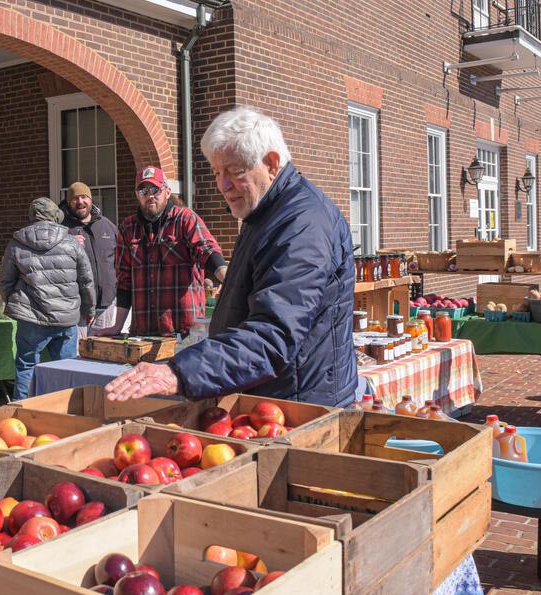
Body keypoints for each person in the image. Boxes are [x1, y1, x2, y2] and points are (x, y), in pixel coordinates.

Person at [105, 107, 357, 407]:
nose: (222, 185)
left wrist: (180, 372)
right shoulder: (265, 213)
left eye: (234, 172)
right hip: (273, 395)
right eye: (216, 173)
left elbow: (273, 336)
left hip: (300, 402)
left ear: (272, 164)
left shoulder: (302, 225)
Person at [103, 164, 226, 338]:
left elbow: (206, 249)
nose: (150, 196)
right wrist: (117, 326)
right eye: (144, 192)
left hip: (184, 332)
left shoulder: (185, 219)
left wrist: (226, 276)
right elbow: (124, 281)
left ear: (167, 192)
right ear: (137, 196)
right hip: (143, 332)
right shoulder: (127, 228)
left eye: (155, 190)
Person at [0, 197, 95, 400]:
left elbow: (5, 281)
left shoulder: (17, 243)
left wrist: (11, 302)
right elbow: (86, 280)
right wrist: (89, 309)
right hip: (66, 317)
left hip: (31, 317)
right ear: (55, 216)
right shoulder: (71, 242)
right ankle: (65, 413)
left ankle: (21, 413)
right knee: (66, 370)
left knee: (26, 367)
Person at [61, 182, 118, 335]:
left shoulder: (108, 226)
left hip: (105, 304)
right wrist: (67, 243)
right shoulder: (61, 229)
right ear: (68, 202)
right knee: (77, 354)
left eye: (84, 197)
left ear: (91, 200)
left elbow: (121, 261)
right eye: (75, 198)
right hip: (77, 307)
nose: (80, 202)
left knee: (102, 353)